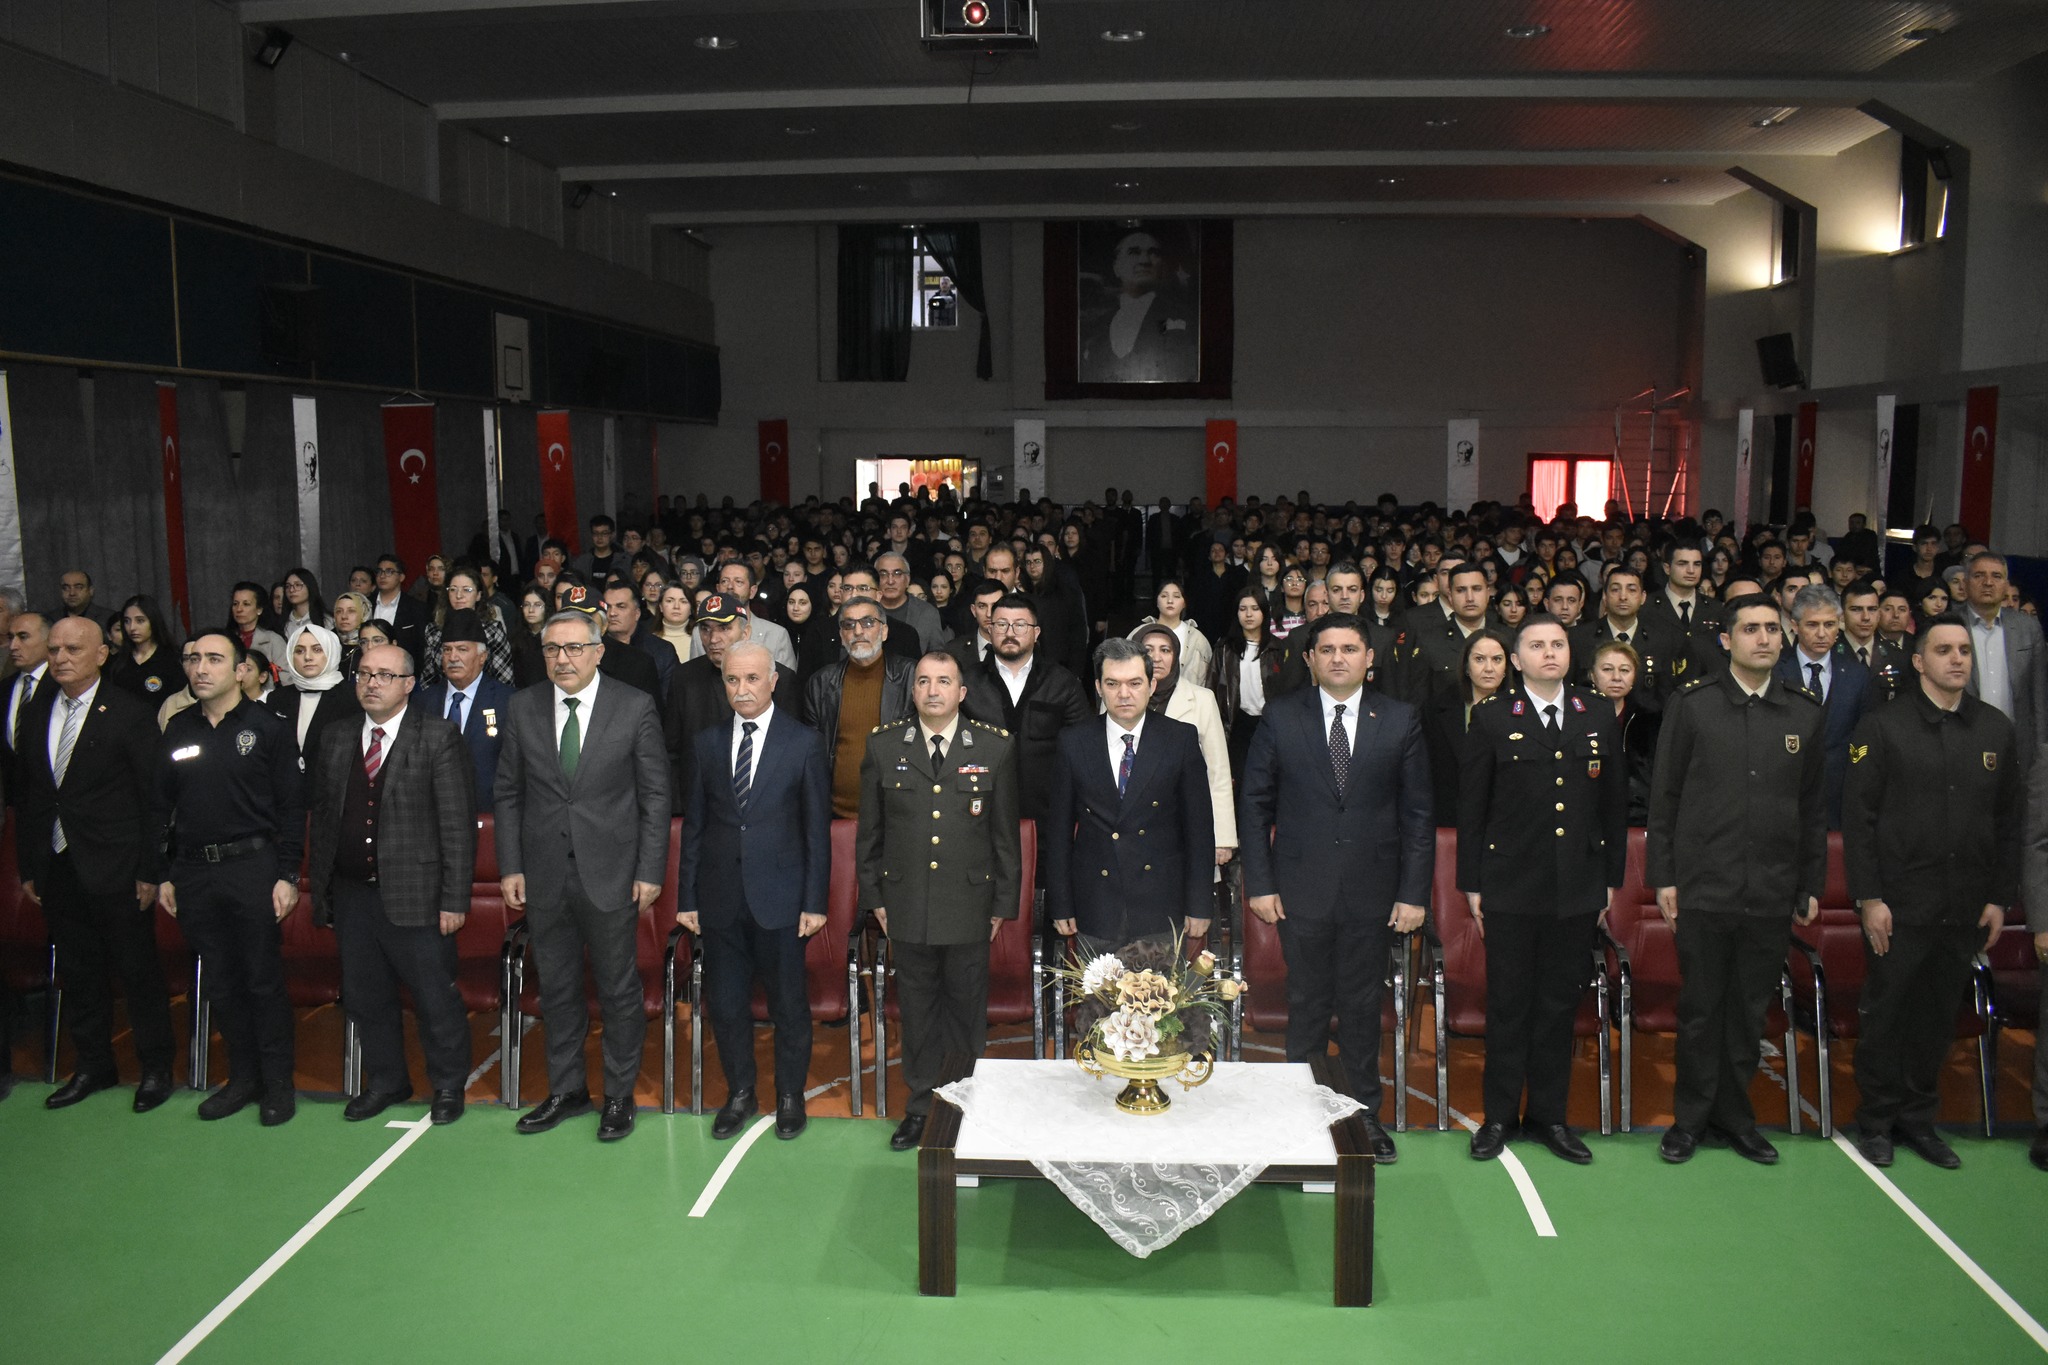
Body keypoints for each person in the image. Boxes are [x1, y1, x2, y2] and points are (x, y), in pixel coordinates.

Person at [1237, 612, 1431, 1162]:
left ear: (1370, 659)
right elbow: (1254, 806)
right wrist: (1261, 881)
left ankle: (1362, 1116)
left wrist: (1414, 892)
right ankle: (1299, 1115)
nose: (1338, 658)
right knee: (1306, 1004)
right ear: (1309, 660)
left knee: (1363, 1006)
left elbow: (1418, 814)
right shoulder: (1280, 717)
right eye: (1327, 649)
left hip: (1375, 890)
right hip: (1299, 887)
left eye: (1350, 648)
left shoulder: (1400, 719)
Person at [1647, 594, 1825, 1165]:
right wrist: (1664, 877)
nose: (1764, 639)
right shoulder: (1694, 705)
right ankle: (1691, 1120)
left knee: (1750, 1010)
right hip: (1706, 883)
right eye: (1751, 629)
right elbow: (1665, 797)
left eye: (1773, 629)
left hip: (1771, 887)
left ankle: (1736, 1118)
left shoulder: (1802, 710)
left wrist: (1808, 883)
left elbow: (1813, 808)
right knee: (1701, 1008)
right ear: (1726, 640)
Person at [1843, 616, 2021, 1170]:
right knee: (1888, 1013)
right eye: (1943, 650)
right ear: (1919, 661)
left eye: (1964, 650)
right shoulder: (1883, 727)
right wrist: (1869, 897)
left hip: (1963, 902)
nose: (1957, 660)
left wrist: (1998, 896)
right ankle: (1876, 1121)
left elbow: (2008, 821)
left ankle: (1919, 1120)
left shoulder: (1995, 730)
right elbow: (1859, 820)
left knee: (1938, 1017)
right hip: (1900, 902)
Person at [495, 610, 670, 1143]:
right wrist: (511, 865)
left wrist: (649, 869)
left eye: (573, 648)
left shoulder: (634, 706)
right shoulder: (523, 705)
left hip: (613, 875)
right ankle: (568, 1090)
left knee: (618, 990)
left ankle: (618, 1096)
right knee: (559, 989)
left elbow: (655, 795)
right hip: (545, 875)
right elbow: (507, 792)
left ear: (599, 651)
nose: (562, 659)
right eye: (552, 649)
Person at [1458, 615, 1627, 1165]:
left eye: (1558, 644)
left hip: (1576, 886)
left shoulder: (1596, 712)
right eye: (1536, 645)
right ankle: (1500, 1116)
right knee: (1508, 1005)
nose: (1549, 653)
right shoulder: (1490, 717)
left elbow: (1613, 806)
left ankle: (1551, 1117)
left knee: (1558, 1007)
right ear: (1516, 658)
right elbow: (1473, 810)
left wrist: (1610, 881)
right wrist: (1472, 885)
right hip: (1510, 885)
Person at [856, 651, 1021, 1151]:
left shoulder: (995, 749)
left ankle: (964, 1105)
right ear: (914, 690)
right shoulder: (885, 746)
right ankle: (922, 1106)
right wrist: (874, 897)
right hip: (904, 903)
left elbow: (1005, 836)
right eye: (924, 681)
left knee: (966, 1009)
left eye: (944, 681)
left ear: (961, 692)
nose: (932, 690)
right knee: (919, 1009)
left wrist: (1003, 904)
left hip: (970, 903)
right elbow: (870, 832)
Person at [305, 643, 476, 1126]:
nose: (372, 683)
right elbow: (323, 822)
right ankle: (387, 1080)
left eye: (384, 675)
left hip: (418, 896)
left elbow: (457, 827)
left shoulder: (438, 737)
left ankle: (447, 1085)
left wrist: (454, 899)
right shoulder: (337, 737)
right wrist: (325, 895)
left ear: (408, 684)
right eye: (364, 674)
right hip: (354, 895)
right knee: (364, 996)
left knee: (433, 998)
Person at [15, 617, 175, 1112]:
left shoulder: (128, 712)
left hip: (120, 868)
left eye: (72, 649)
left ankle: (154, 1070)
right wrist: (29, 868)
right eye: (55, 649)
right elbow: (31, 796)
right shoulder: (36, 708)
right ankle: (93, 1066)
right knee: (79, 973)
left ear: (102, 654)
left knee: (137, 972)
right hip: (59, 866)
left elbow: (154, 800)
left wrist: (151, 870)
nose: (60, 658)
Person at [679, 641, 833, 1143]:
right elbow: (695, 827)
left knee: (789, 1005)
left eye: (751, 679)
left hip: (783, 900)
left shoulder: (803, 742)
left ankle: (790, 1096)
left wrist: (815, 901)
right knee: (725, 1005)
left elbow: (816, 830)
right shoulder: (705, 743)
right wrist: (687, 898)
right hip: (720, 898)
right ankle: (740, 1093)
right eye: (731, 680)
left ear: (773, 681)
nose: (741, 689)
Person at [155, 632, 306, 1125]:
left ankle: (278, 1083)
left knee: (262, 980)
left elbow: (291, 808)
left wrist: (287, 873)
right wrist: (167, 874)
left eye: (214, 659)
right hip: (195, 872)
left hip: (253, 868)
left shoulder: (269, 728)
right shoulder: (177, 729)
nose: (201, 668)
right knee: (220, 980)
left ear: (241, 670)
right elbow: (163, 807)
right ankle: (243, 1078)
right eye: (193, 659)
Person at [1045, 637, 1214, 961]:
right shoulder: (1073, 741)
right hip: (1095, 903)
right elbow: (1059, 832)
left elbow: (1199, 830)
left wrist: (1199, 903)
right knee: (1097, 1008)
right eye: (1113, 683)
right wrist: (1061, 903)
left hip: (1160, 904)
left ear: (1152, 684)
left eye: (1135, 683)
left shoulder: (1179, 739)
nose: (1124, 694)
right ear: (1098, 686)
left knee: (1162, 1007)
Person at [960, 595, 1092, 831]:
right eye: (1001, 624)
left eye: (1020, 625)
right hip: (977, 816)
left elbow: (1084, 751)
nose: (1010, 632)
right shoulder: (967, 684)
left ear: (1036, 632)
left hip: (1047, 817)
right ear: (990, 630)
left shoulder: (1063, 683)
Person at [1132, 623, 1237, 868]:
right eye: (1148, 650)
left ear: (1176, 656)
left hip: (1185, 821)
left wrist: (1222, 837)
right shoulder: (1120, 698)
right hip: (1133, 823)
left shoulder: (1202, 699)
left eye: (1165, 650)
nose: (1156, 658)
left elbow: (1217, 772)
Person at [1771, 584, 1872, 829]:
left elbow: (1864, 738)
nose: (1822, 633)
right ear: (1794, 626)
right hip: (1783, 793)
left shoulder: (1857, 675)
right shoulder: (1775, 673)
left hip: (1838, 796)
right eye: (1812, 625)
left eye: (1829, 625)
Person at [805, 595, 915, 820]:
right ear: (841, 635)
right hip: (835, 816)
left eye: (867, 623)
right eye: (848, 625)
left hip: (896, 815)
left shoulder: (912, 677)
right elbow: (812, 757)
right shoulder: (821, 683)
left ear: (884, 631)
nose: (857, 631)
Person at [415, 609, 516, 814]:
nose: (453, 657)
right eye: (446, 650)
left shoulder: (508, 701)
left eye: (462, 649)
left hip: (487, 813)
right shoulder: (423, 701)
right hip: (432, 813)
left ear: (482, 656)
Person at [1960, 551, 2047, 770]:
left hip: (2016, 745)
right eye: (1979, 575)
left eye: (1996, 576)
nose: (1988, 582)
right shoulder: (1948, 624)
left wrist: (2041, 751)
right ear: (1965, 583)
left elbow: (2038, 697)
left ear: (2006, 584)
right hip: (1961, 742)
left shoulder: (2028, 629)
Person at [1422, 627, 1512, 828]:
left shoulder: (1522, 711)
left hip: (1505, 823)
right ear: (1466, 666)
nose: (1489, 668)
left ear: (1507, 667)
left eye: (1497, 659)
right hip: (1451, 820)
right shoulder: (1435, 710)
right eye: (1479, 659)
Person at [1211, 585, 1285, 781]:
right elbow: (1212, 687)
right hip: (1237, 723)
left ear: (1264, 612)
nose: (1248, 614)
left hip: (1269, 721)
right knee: (1240, 778)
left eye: (1255, 608)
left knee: (1269, 778)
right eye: (1243, 609)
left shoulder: (1277, 648)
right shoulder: (1224, 648)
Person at [1590, 640, 1660, 825]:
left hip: (1637, 816)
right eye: (1607, 669)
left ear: (1635, 676)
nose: (1616, 677)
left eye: (1625, 670)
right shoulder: (1575, 718)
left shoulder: (1651, 721)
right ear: (1592, 675)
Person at [270, 622, 362, 761]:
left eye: (317, 650)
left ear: (331, 652)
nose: (308, 657)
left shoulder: (352, 697)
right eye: (299, 651)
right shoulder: (277, 698)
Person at [1644, 543, 1725, 682]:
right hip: (1658, 692)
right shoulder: (1646, 607)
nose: (1691, 570)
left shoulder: (1716, 609)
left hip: (1705, 693)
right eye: (1683, 564)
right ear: (1667, 568)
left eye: (1697, 564)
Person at [602, 581, 680, 700]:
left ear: (637, 613)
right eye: (607, 607)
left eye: (621, 606)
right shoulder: (593, 648)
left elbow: (671, 701)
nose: (612, 613)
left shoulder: (662, 651)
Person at [5, 612, 53, 800]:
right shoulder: (4, 688)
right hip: (16, 800)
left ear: (48, 640)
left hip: (53, 797)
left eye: (23, 637)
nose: (13, 646)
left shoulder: (63, 687)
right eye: (11, 637)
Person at [1841, 581, 1910, 702]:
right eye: (1856, 609)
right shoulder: (1828, 653)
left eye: (1872, 609)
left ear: (1879, 613)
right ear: (1841, 614)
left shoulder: (1898, 656)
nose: (1866, 617)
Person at [109, 596, 180, 702]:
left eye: (140, 621)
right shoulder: (117, 661)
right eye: (127, 621)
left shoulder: (171, 659)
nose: (132, 627)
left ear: (153, 622)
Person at [876, 552, 948, 654]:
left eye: (897, 574)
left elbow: (936, 656)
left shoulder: (928, 613)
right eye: (883, 574)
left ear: (907, 579)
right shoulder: (864, 610)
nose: (890, 581)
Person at [368, 555, 431, 668]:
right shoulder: (366, 604)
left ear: (401, 577)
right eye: (379, 571)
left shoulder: (416, 608)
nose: (382, 576)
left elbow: (421, 648)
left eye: (389, 571)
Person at [943, 578, 1006, 675]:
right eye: (982, 606)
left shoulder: (1019, 647)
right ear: (973, 610)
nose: (989, 614)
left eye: (995, 606)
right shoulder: (954, 650)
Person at [228, 582, 289, 677]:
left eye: (246, 604)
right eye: (235, 604)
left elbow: (285, 677)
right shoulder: (226, 638)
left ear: (259, 609)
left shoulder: (273, 640)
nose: (239, 609)